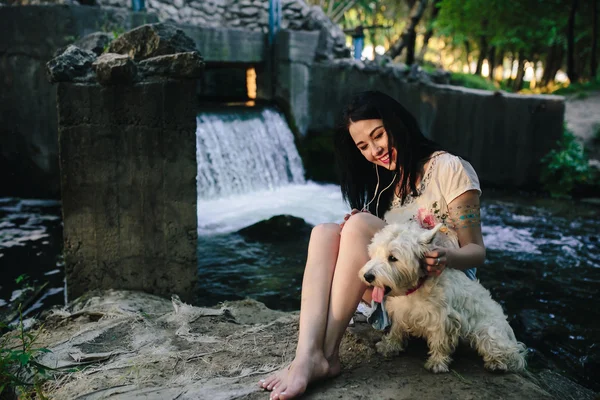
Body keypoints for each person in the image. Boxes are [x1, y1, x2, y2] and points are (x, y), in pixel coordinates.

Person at [258, 90, 486, 400]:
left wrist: (445, 255)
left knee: (358, 225)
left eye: (378, 135)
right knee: (324, 232)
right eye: (363, 146)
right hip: (398, 294)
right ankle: (307, 354)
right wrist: (360, 224)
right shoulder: (386, 183)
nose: (374, 150)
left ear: (397, 123)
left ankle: (324, 356)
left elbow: (476, 253)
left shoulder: (450, 168)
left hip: (444, 290)